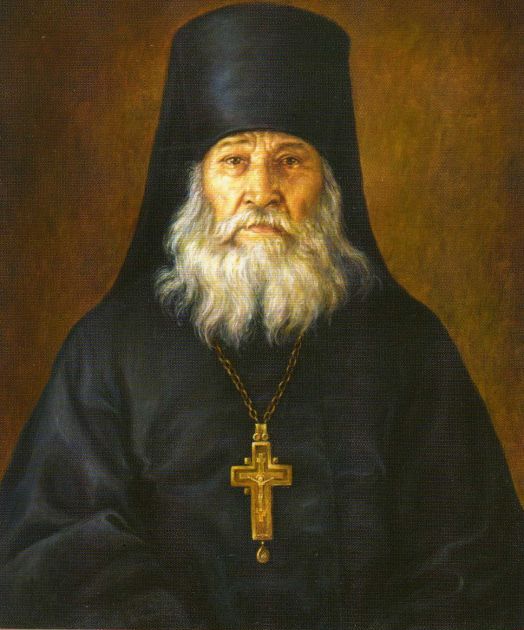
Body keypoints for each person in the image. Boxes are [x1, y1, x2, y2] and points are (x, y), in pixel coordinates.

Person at [0, 4, 522, 629]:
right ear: (196, 183)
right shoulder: (110, 346)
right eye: (234, 160)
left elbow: (474, 552)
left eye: (291, 160)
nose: (262, 191)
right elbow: (56, 546)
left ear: (330, 185)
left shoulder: (407, 342)